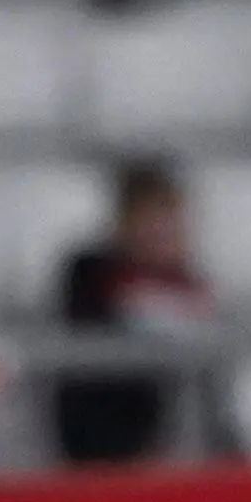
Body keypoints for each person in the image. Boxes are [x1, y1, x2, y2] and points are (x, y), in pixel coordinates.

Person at [55, 158, 212, 462]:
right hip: (98, 454)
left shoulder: (195, 287)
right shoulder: (89, 275)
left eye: (171, 220)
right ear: (125, 224)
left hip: (178, 455)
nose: (163, 234)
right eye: (151, 221)